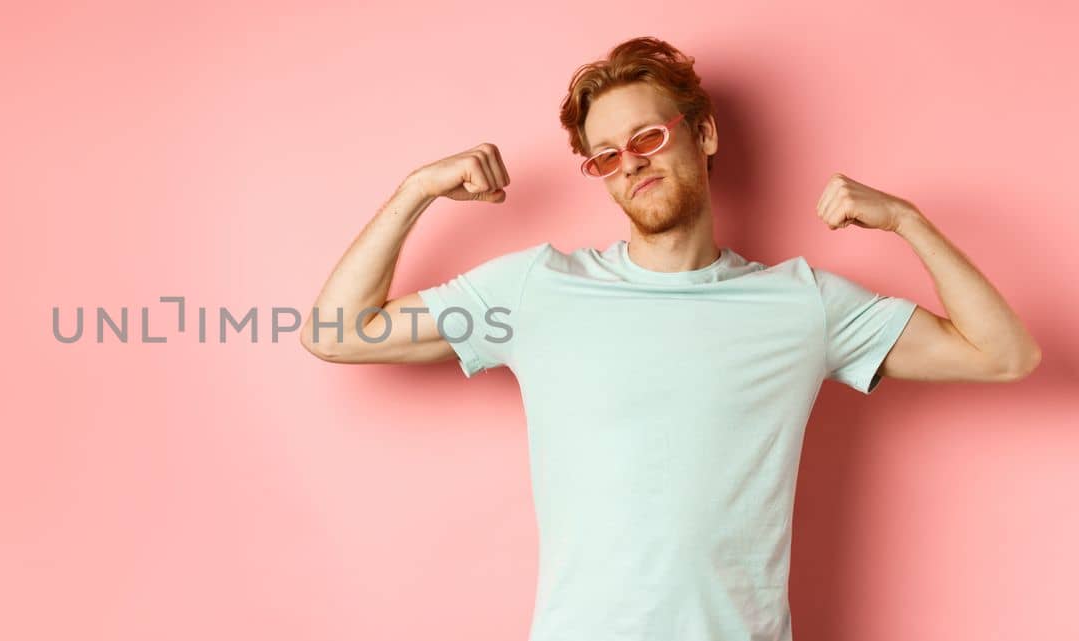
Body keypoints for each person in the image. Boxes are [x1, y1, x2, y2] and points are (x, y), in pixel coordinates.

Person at [298, 36, 1041, 641]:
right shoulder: (537, 291)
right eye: (607, 155)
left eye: (648, 135)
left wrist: (908, 221)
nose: (633, 163)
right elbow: (338, 331)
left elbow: (1005, 353)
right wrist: (415, 192)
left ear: (705, 132)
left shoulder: (800, 304)